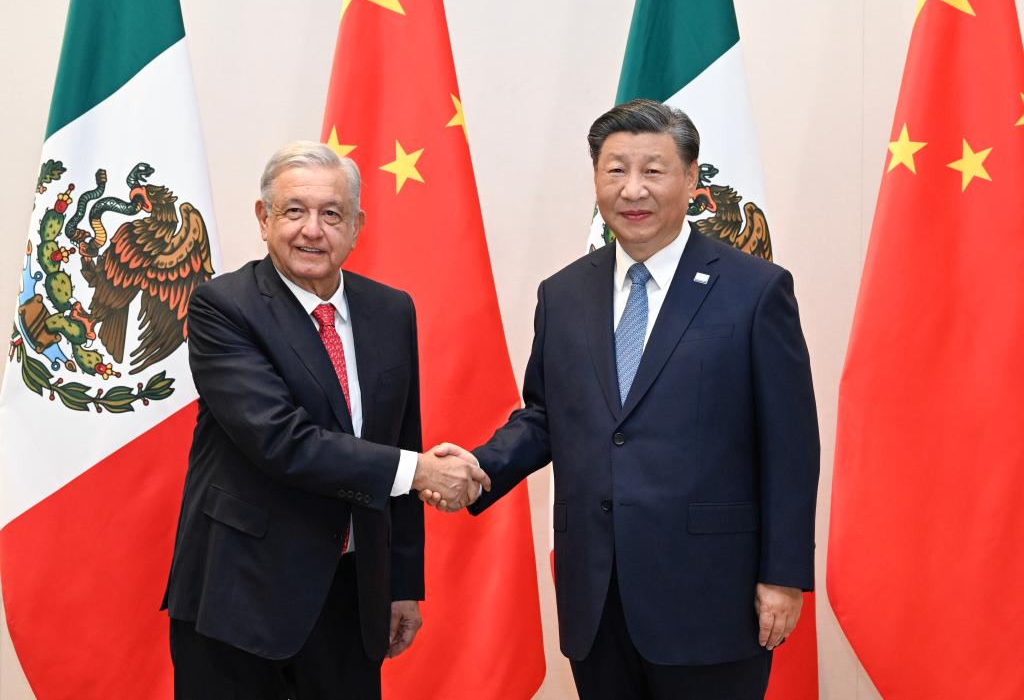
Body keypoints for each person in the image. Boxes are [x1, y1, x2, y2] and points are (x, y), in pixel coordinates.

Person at [423, 100, 820, 700]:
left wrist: (783, 574)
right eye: (615, 170)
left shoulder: (755, 290)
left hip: (713, 594)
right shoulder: (563, 293)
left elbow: (791, 444)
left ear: (691, 177)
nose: (633, 189)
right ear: (596, 179)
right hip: (597, 592)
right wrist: (480, 467)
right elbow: (547, 416)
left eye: (653, 170)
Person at [163, 141, 488, 700]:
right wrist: (421, 471)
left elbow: (400, 437)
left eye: (331, 214)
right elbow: (281, 440)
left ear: (357, 226)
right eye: (294, 211)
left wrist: (400, 583)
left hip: (350, 594)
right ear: (264, 219)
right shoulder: (224, 307)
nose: (312, 230)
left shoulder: (391, 309)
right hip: (241, 593)